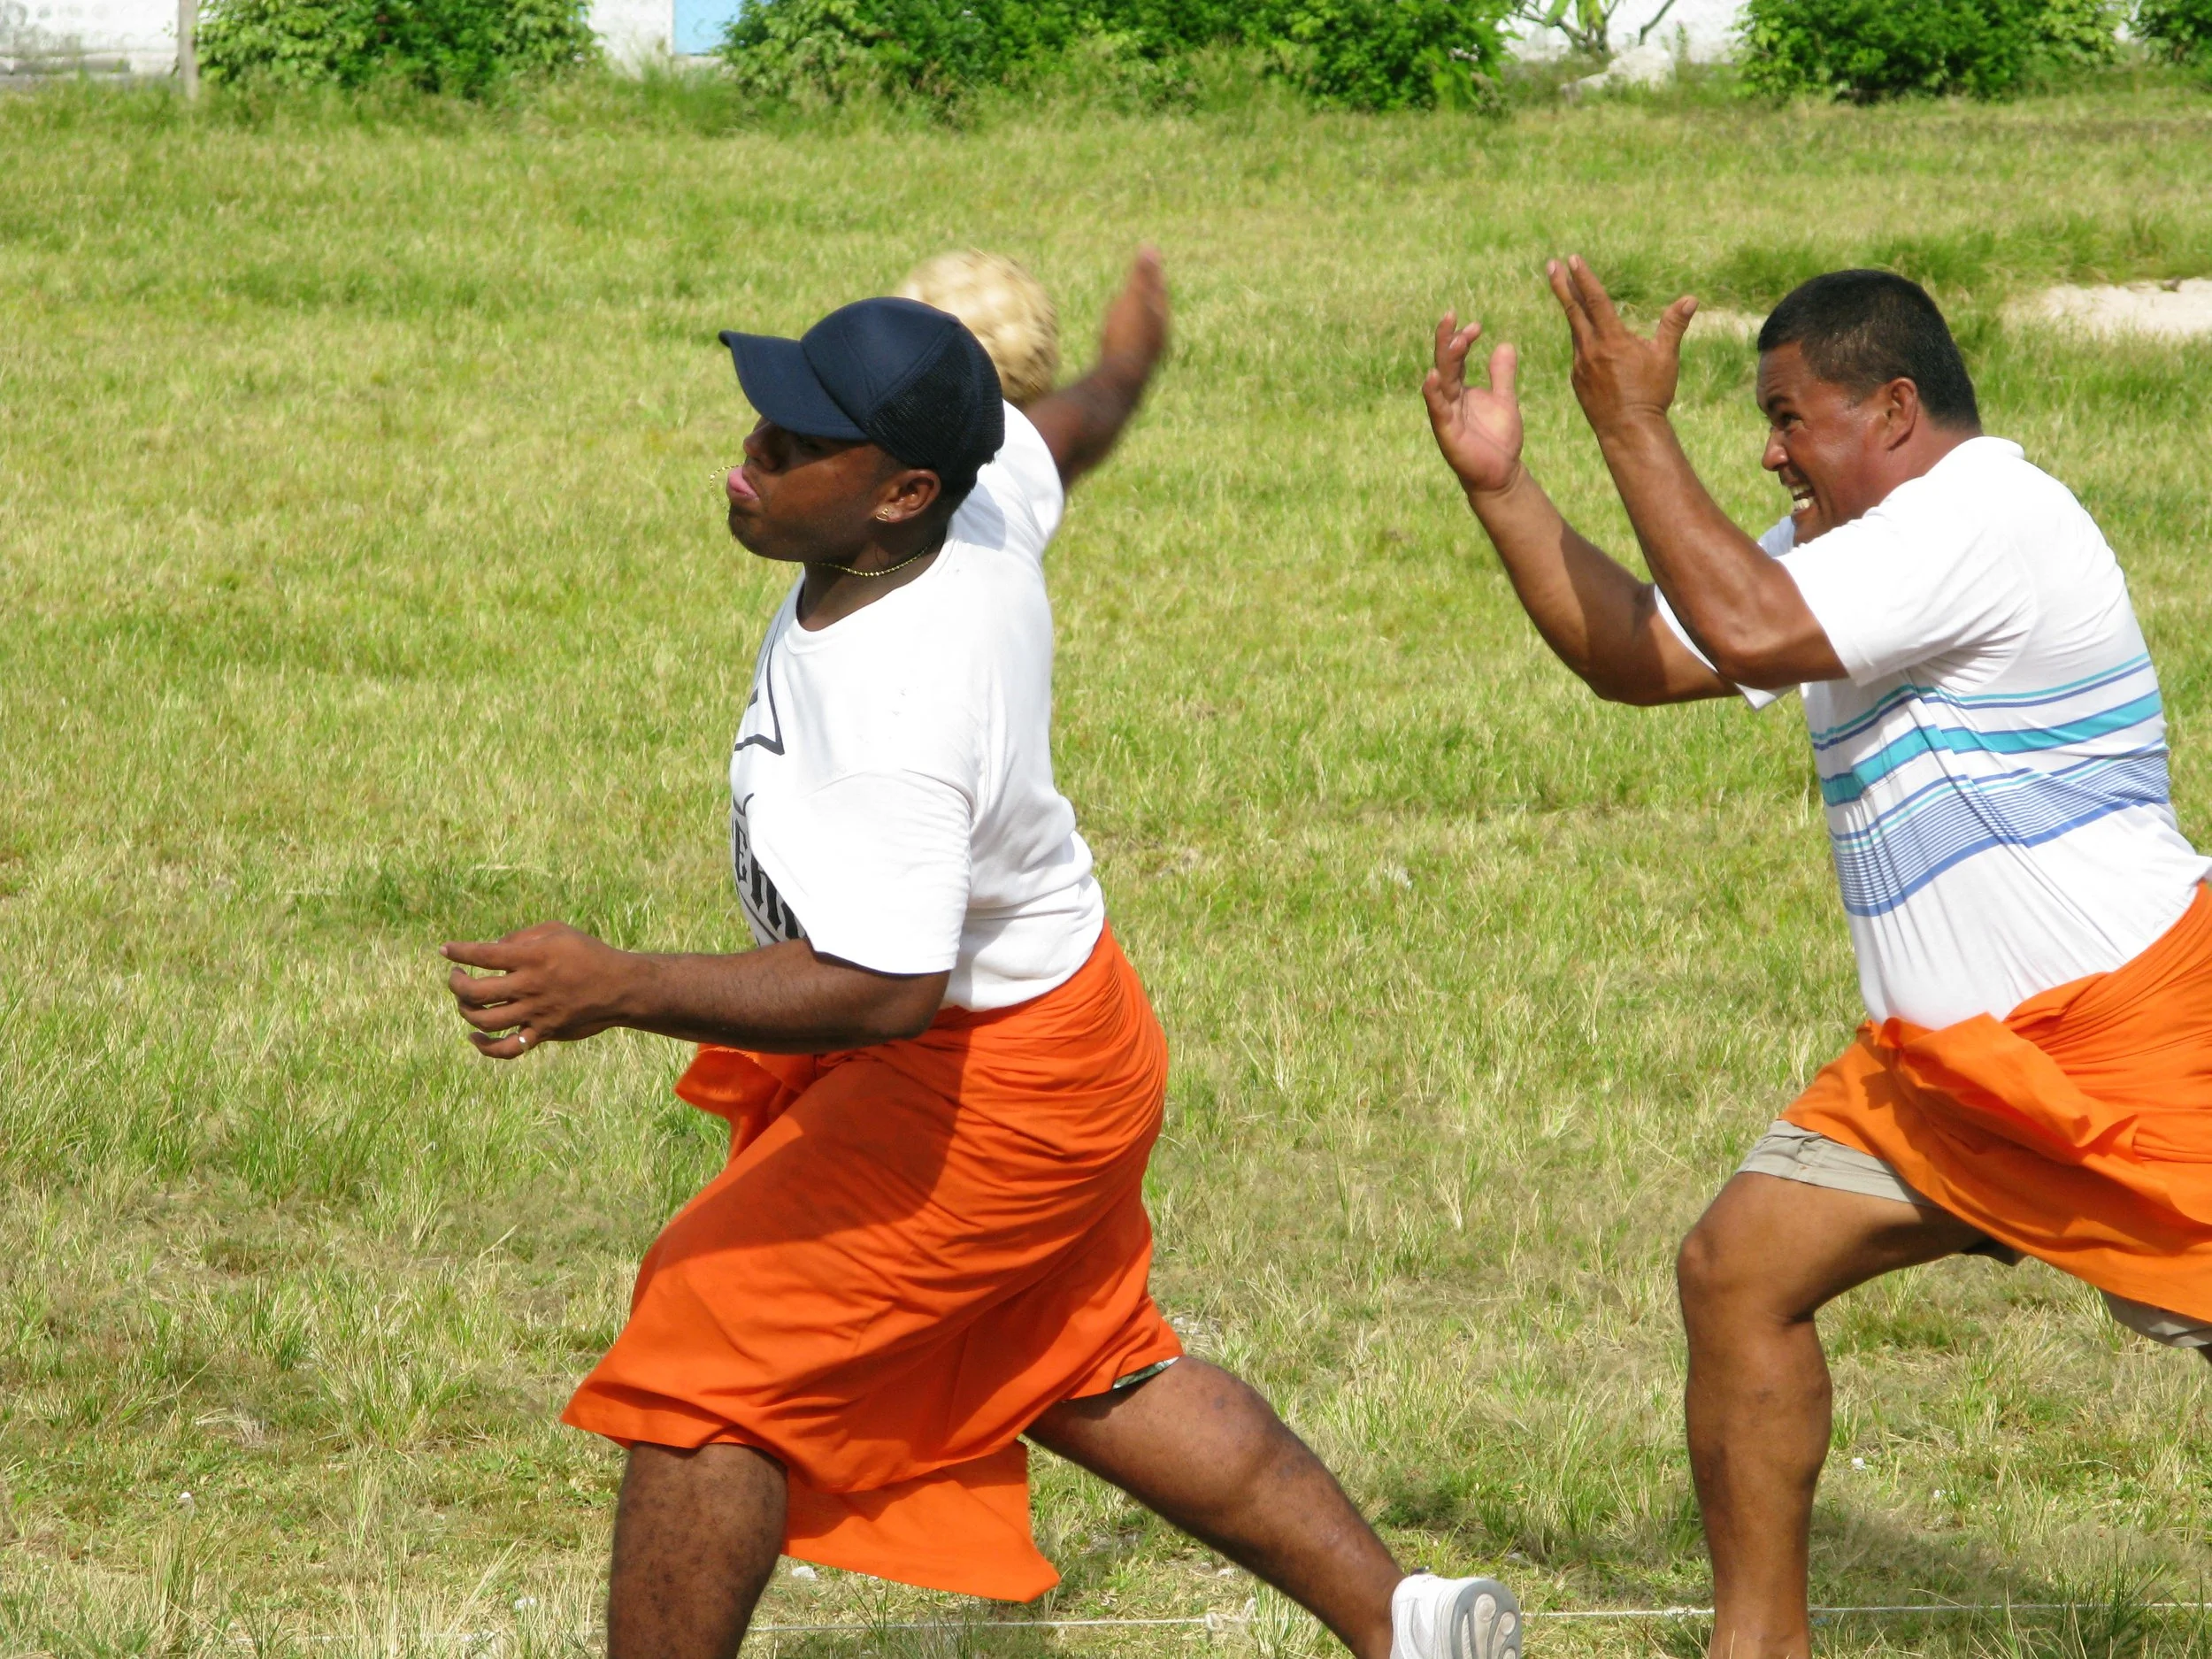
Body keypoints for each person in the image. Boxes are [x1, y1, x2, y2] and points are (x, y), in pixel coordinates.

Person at [444, 249, 1522, 1659]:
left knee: (707, 1352)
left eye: (796, 442)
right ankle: (1412, 1630)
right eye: (761, 418)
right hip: (1065, 1023)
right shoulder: (974, 494)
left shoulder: (904, 694)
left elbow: (887, 984)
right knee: (1080, 1358)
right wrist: (1125, 367)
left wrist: (620, 981)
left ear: (900, 492)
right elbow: (1052, 434)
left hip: (981, 1069)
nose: (747, 458)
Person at [1421, 259, 2212, 1659]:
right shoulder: (1845, 549)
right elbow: (1651, 656)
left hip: (2140, 1041)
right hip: (1946, 1075)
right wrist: (1504, 489)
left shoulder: (1989, 519)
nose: (1771, 449)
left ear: (1894, 407)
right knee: (1737, 1270)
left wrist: (1632, 427)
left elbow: (1746, 625)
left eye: (1791, 416)